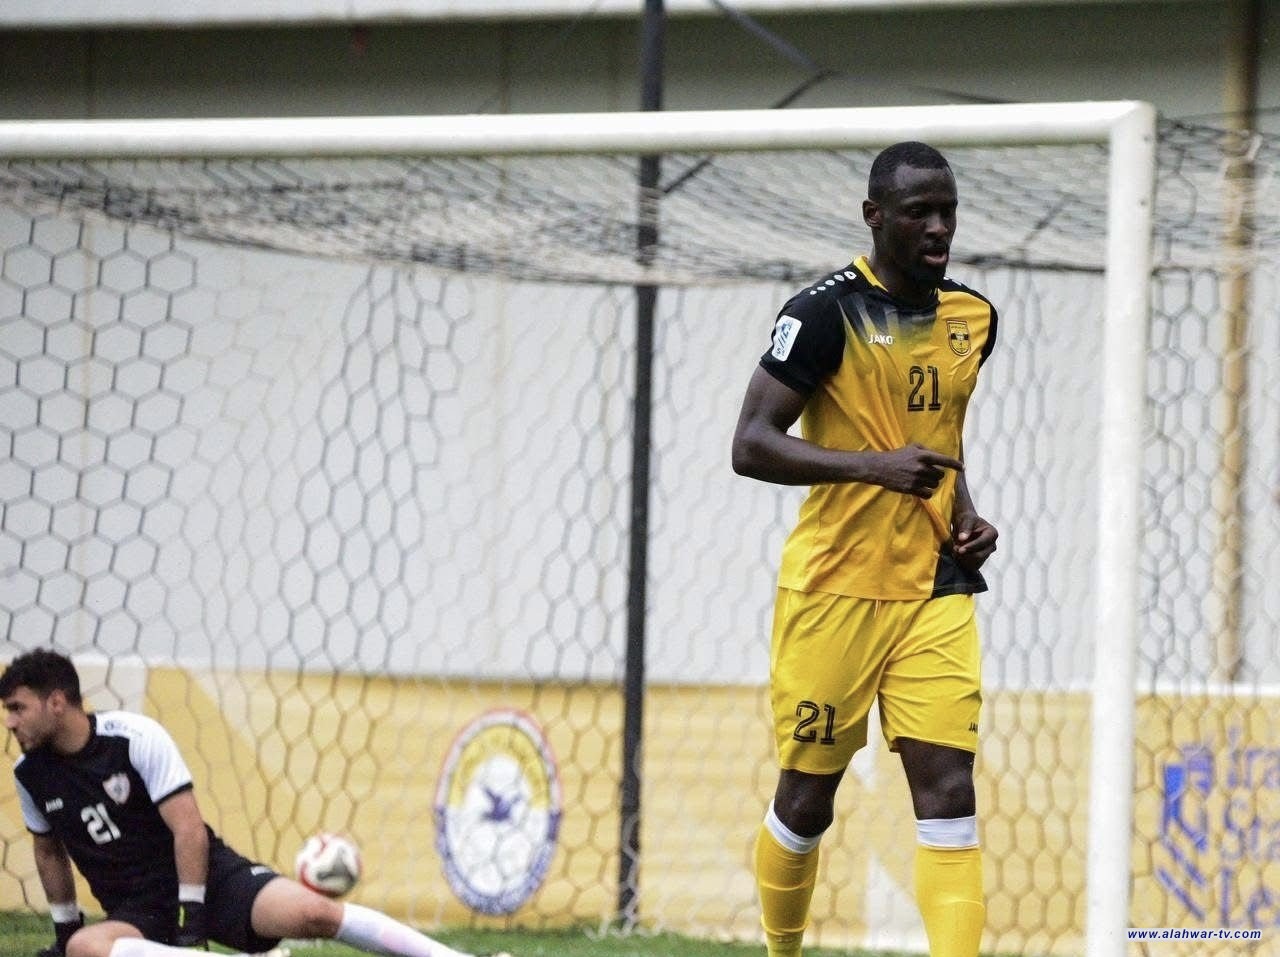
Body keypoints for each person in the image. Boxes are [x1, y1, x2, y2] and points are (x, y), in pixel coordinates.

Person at [731, 141, 999, 957]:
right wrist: (872, 469)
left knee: (950, 790)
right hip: (835, 589)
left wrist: (968, 512)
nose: (939, 226)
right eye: (920, 211)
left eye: (947, 209)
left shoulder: (973, 319)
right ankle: (783, 951)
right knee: (808, 799)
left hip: (933, 588)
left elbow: (940, 437)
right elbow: (750, 443)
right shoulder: (821, 313)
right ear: (874, 216)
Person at [1, 648, 511, 957]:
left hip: (210, 881)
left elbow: (189, 830)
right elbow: (49, 853)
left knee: (315, 912)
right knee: (88, 948)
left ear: (58, 701)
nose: (10, 722)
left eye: (17, 709)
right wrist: (65, 932)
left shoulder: (134, 737)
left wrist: (192, 920)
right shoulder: (31, 774)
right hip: (136, 912)